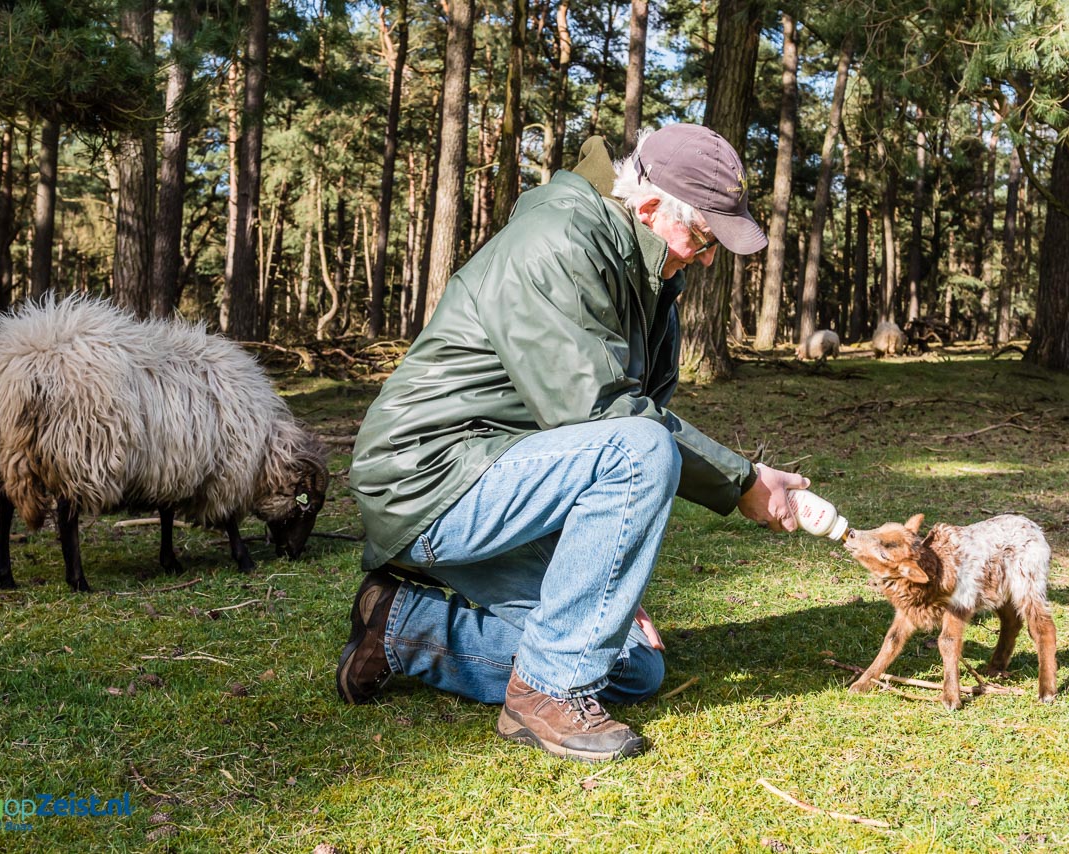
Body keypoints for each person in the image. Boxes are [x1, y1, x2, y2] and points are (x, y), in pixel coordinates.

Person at [339, 123, 810, 762]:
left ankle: (400, 626)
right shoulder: (558, 242)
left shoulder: (643, 268)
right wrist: (742, 482)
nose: (706, 258)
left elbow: (580, 448)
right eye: (702, 237)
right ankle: (546, 693)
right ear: (647, 209)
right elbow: (600, 419)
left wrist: (607, 577)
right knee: (641, 448)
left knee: (634, 666)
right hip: (429, 478)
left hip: (500, 478)